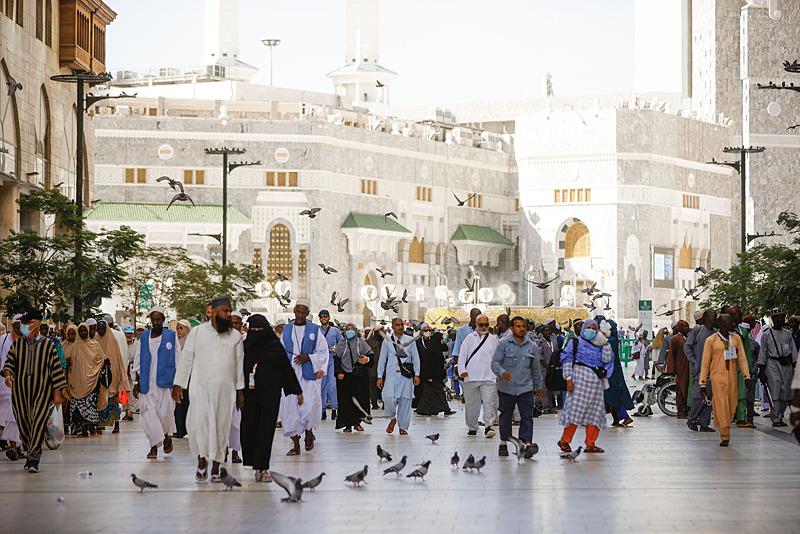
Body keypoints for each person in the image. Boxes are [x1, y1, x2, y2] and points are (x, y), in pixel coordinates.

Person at [172, 295, 244, 483]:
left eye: (230, 311)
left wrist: (240, 391)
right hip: (200, 389)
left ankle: (216, 467)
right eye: (225, 311)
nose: (229, 314)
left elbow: (239, 366)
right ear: (214, 312)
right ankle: (201, 461)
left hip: (225, 392)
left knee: (221, 428)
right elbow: (186, 359)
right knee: (198, 427)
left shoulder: (235, 337)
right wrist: (178, 384)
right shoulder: (197, 333)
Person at [0, 310, 68, 473]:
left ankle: (33, 459)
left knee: (37, 424)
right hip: (20, 394)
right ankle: (29, 450)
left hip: (41, 393)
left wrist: (57, 393)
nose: (24, 326)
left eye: (27, 323)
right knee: (24, 425)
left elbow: (56, 370)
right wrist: (8, 375)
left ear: (36, 324)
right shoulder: (18, 345)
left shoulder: (48, 346)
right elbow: (9, 363)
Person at [240, 314, 303, 483]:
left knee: (266, 431)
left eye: (259, 329)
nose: (257, 333)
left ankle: (262, 467)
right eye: (253, 330)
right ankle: (253, 462)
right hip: (249, 396)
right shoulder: (245, 347)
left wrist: (297, 391)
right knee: (250, 430)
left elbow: (286, 369)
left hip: (270, 395)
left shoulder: (275, 347)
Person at [279, 300, 329, 455]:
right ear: (294, 311)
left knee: (308, 406)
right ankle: (295, 444)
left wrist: (309, 358)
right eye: (298, 312)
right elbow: (280, 351)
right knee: (289, 407)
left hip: (308, 373)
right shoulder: (287, 329)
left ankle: (308, 432)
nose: (300, 315)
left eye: (303, 312)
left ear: (307, 313)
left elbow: (323, 350)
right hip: (290, 372)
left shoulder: (315, 330)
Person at [558, 319, 614, 453]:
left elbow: (607, 359)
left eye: (594, 328)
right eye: (589, 327)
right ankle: (564, 440)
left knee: (596, 414)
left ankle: (590, 443)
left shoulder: (600, 344)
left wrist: (605, 343)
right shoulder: (575, 342)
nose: (591, 331)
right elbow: (567, 360)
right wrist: (568, 379)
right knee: (575, 412)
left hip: (596, 385)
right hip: (579, 382)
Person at [492, 316, 545, 458]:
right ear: (512, 328)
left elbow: (536, 369)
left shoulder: (532, 347)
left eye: (523, 326)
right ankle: (504, 442)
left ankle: (525, 444)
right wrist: (502, 373)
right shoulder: (503, 344)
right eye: (518, 326)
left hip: (525, 388)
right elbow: (495, 363)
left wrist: (539, 386)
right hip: (506, 388)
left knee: (527, 416)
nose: (521, 329)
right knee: (505, 416)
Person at [133, 307, 179, 460]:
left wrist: (178, 383)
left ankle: (166, 435)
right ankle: (153, 447)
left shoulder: (171, 336)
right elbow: (138, 360)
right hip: (147, 382)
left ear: (163, 320)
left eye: (158, 319)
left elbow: (178, 359)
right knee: (148, 415)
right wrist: (136, 382)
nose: (156, 322)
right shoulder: (144, 337)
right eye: (153, 319)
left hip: (165, 382)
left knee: (165, 414)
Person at [699, 314, 750, 446]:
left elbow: (742, 358)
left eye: (731, 321)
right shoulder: (711, 340)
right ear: (721, 324)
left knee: (732, 405)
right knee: (721, 405)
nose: (731, 324)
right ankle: (725, 435)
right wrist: (702, 383)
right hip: (717, 377)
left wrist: (746, 376)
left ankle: (725, 423)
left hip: (732, 377)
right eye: (727, 322)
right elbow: (705, 363)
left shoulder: (736, 338)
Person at [457, 314, 499, 438]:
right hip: (471, 377)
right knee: (471, 405)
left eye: (486, 325)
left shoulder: (493, 339)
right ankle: (472, 426)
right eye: (481, 325)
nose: (484, 327)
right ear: (476, 325)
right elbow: (462, 355)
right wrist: (462, 370)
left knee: (489, 403)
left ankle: (488, 426)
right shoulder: (469, 338)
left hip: (489, 377)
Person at [377, 318, 421, 435]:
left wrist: (417, 374)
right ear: (392, 327)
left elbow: (416, 358)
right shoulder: (387, 341)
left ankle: (403, 426)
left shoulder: (410, 340)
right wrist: (379, 376)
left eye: (402, 324)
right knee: (388, 398)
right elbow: (382, 359)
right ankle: (392, 418)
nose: (400, 327)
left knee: (405, 400)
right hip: (391, 374)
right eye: (397, 325)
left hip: (406, 375)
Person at [757, 309, 798, 427]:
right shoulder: (766, 335)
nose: (782, 319)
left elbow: (794, 352)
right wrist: (762, 370)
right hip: (772, 365)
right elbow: (762, 353)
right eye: (779, 317)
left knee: (786, 392)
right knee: (775, 390)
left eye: (782, 317)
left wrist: (794, 366)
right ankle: (776, 418)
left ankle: (780, 415)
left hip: (786, 366)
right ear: (774, 319)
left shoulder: (788, 334)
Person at [65, 324, 105, 438]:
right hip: (76, 381)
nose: (83, 333)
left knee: (90, 405)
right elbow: (67, 361)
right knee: (77, 408)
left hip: (91, 381)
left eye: (84, 331)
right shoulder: (74, 346)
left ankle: (92, 429)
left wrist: (100, 365)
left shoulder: (94, 345)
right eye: (81, 331)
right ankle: (82, 430)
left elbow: (101, 358)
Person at [333, 323, 374, 432]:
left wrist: (367, 360)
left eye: (352, 329)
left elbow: (371, 356)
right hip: (345, 377)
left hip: (359, 376)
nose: (349, 331)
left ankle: (357, 423)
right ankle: (348, 425)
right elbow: (336, 358)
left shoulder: (361, 343)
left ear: (355, 331)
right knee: (346, 401)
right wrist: (339, 372)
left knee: (359, 400)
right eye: (347, 329)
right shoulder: (341, 344)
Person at [96, 319, 131, 434]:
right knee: (100, 399)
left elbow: (118, 358)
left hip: (113, 374)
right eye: (99, 328)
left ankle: (116, 424)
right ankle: (101, 424)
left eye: (102, 328)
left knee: (113, 401)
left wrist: (120, 373)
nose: (101, 331)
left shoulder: (113, 340)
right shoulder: (95, 340)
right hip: (99, 375)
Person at [685, 309, 716, 433]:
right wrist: (694, 361)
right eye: (712, 316)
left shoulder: (716, 333)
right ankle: (691, 419)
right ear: (705, 318)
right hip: (700, 370)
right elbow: (687, 346)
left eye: (715, 316)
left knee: (709, 397)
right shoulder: (698, 331)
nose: (714, 319)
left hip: (713, 371)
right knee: (699, 397)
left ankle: (704, 423)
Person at [599, 317, 634, 427]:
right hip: (612, 371)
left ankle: (625, 417)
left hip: (611, 373)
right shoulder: (612, 339)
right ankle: (616, 419)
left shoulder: (611, 341)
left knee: (613, 396)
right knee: (611, 396)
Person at [415, 323, 454, 417]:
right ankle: (425, 409)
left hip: (434, 375)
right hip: (428, 373)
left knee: (431, 393)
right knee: (430, 392)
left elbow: (444, 348)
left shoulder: (434, 344)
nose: (427, 332)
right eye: (425, 330)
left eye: (429, 330)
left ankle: (426, 410)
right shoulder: (419, 343)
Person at [0, 315, 22, 460]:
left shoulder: (28, 341)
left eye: (21, 327)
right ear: (12, 326)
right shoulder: (3, 340)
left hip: (23, 387)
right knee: (11, 417)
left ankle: (17, 447)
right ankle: (14, 447)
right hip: (5, 386)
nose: (18, 330)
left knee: (18, 418)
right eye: (16, 326)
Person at [227, 311, 245, 464]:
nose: (234, 326)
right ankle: (223, 449)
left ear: (241, 325)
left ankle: (235, 452)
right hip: (223, 386)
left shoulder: (245, 341)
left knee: (237, 421)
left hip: (240, 386)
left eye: (236, 323)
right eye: (231, 323)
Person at [319, 310, 343, 421]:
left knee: (332, 385)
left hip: (332, 360)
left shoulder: (335, 331)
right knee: (322, 386)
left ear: (329, 317)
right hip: (321, 361)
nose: (323, 318)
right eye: (321, 317)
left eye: (325, 316)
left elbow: (342, 343)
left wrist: (336, 348)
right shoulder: (317, 331)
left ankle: (334, 408)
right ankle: (322, 410)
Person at [665, 320, 691, 419]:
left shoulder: (688, 337)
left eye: (687, 326)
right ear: (679, 328)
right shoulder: (675, 339)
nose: (686, 328)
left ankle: (687, 409)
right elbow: (671, 355)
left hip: (689, 367)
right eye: (684, 326)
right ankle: (680, 411)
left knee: (688, 388)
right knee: (681, 389)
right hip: (680, 367)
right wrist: (672, 370)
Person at [173, 320, 192, 438]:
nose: (179, 330)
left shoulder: (191, 343)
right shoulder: (175, 343)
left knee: (187, 403)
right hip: (177, 378)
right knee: (178, 403)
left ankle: (187, 429)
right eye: (178, 328)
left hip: (189, 377)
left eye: (181, 328)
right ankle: (179, 430)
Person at [365, 324, 385, 411]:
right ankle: (381, 403)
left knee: (373, 386)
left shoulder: (369, 341)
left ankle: (375, 404)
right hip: (379, 367)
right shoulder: (384, 341)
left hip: (373, 368)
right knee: (381, 386)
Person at [122, 326, 137, 421]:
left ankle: (130, 411)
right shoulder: (122, 344)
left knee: (131, 391)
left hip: (133, 370)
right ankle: (126, 410)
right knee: (123, 391)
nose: (129, 335)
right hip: (123, 370)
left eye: (130, 333)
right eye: (127, 333)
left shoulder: (137, 344)